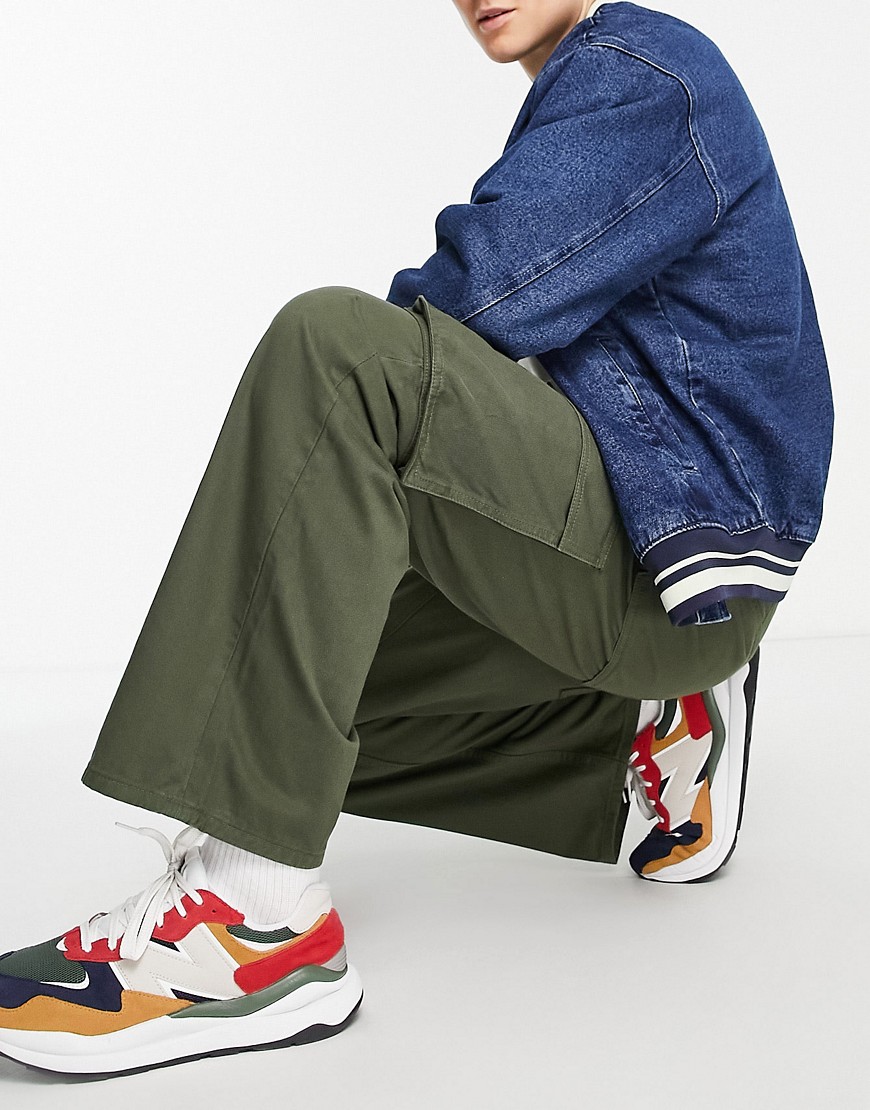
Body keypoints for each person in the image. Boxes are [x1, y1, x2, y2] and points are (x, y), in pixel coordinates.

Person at [0, 0, 833, 1078]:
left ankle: (257, 931)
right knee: (268, 696)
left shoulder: (644, 72)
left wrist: (344, 426)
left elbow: (471, 311)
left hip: (665, 579)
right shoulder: (603, 83)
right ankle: (636, 746)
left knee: (338, 354)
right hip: (663, 585)